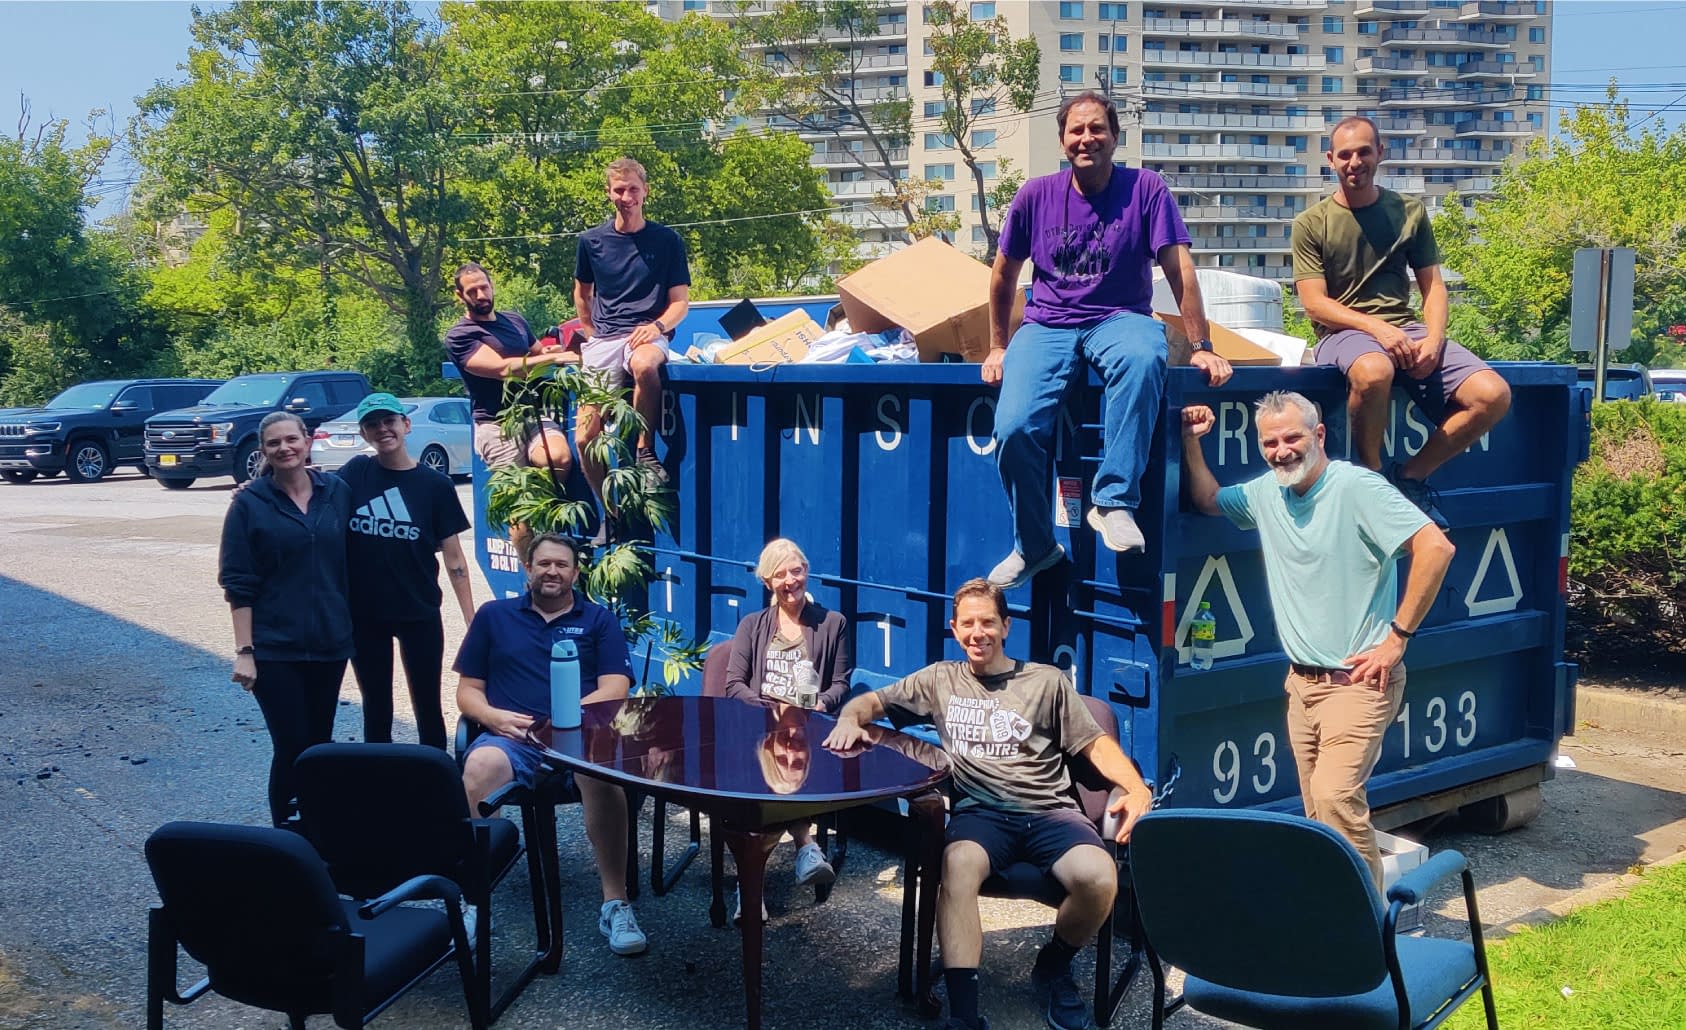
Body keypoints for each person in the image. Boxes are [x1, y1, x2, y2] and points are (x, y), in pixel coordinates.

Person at [825, 579, 1154, 1030]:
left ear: (1006, 627)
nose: (978, 633)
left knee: (1100, 880)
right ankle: (963, 1015)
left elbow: (1094, 745)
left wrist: (1137, 788)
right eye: (968, 624)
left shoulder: (1046, 682)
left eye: (988, 623)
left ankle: (1054, 965)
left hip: (1050, 812)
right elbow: (873, 702)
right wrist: (848, 715)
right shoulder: (940, 680)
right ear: (954, 630)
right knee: (956, 866)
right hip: (980, 816)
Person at [1180, 391, 1455, 888]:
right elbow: (1207, 500)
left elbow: (1435, 546)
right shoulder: (1267, 494)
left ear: (1319, 435)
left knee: (1335, 799)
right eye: (1271, 442)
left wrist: (1397, 638)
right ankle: (1331, 919)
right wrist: (1189, 441)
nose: (1282, 450)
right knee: (1318, 816)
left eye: (1293, 437)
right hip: (1302, 686)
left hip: (1358, 681)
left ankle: (1368, 935)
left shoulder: (1357, 488)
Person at [985, 90, 1234, 590]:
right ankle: (1034, 545)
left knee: (1145, 357)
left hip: (1120, 317)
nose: (1087, 139)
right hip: (1048, 323)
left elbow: (1179, 269)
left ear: (1115, 137)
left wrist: (1201, 344)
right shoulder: (1035, 195)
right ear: (1061, 140)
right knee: (1012, 429)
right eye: (1076, 130)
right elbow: (1003, 275)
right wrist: (997, 346)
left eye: (1097, 129)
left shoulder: (1145, 189)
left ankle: (1114, 501)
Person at [1291, 116, 1512, 528]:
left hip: (1407, 329)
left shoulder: (1408, 212)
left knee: (1493, 394)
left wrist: (1433, 340)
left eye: (1363, 152)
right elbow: (1314, 304)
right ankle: (1370, 481)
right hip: (1342, 335)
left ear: (1380, 154)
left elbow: (1433, 287)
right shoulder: (1311, 223)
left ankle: (1409, 478)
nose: (1354, 161)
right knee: (1375, 371)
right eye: (1344, 154)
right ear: (1330, 160)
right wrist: (1376, 329)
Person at [453, 532, 648, 956]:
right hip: (512, 737)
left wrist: (566, 718)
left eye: (562, 564)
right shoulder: (493, 616)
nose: (552, 572)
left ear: (576, 573)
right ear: (527, 569)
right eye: (543, 563)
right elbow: (467, 691)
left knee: (600, 777)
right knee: (475, 770)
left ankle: (615, 904)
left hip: (581, 736)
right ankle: (472, 901)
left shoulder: (598, 620)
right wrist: (492, 718)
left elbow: (616, 686)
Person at [219, 411, 355, 827]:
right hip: (275, 647)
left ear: (308, 441)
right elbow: (238, 582)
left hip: (331, 642)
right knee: (291, 744)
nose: (285, 448)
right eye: (274, 443)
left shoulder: (337, 491)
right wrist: (245, 651)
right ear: (263, 451)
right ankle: (285, 839)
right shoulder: (249, 504)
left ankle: (320, 833)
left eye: (291, 439)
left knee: (319, 745)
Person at [338, 392, 474, 750]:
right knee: (376, 706)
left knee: (427, 705)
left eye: (389, 421)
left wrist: (472, 620)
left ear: (405, 425)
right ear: (364, 433)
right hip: (364, 615)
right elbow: (307, 491)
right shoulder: (354, 473)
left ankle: (434, 787)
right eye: (372, 424)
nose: (382, 429)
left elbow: (455, 560)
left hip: (419, 611)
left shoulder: (435, 486)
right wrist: (260, 484)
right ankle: (380, 790)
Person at [723, 538, 852, 902]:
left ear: (806, 573)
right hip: (761, 729)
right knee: (770, 771)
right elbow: (733, 684)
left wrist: (823, 704)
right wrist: (769, 709)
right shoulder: (752, 625)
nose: (790, 580)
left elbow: (841, 682)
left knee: (791, 768)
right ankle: (805, 845)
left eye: (796, 571)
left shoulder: (832, 623)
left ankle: (749, 890)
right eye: (780, 574)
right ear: (767, 583)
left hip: (809, 730)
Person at [572, 156, 691, 510]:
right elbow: (582, 294)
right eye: (619, 190)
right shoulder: (591, 241)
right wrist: (592, 335)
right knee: (583, 438)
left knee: (643, 365)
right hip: (604, 340)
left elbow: (680, 304)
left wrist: (656, 327)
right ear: (609, 194)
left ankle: (646, 451)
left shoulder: (667, 241)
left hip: (648, 334)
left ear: (645, 192)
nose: (627, 196)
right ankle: (609, 512)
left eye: (633, 189)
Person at [443, 261, 577, 474]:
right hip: (495, 423)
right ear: (460, 296)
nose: (480, 295)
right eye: (472, 291)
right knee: (518, 491)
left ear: (491, 285)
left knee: (557, 458)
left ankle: (551, 503)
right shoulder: (460, 336)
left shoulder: (515, 321)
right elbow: (503, 370)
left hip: (531, 413)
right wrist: (553, 359)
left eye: (483, 287)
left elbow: (538, 352)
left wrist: (553, 353)